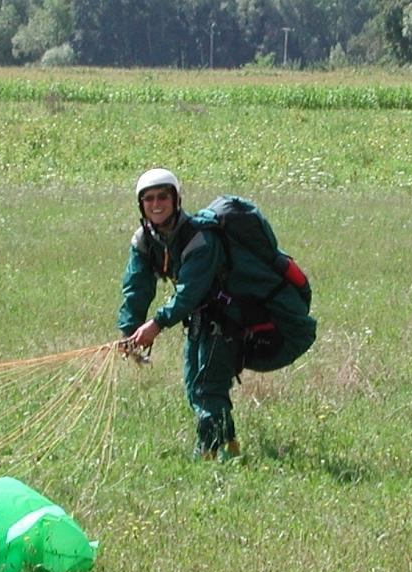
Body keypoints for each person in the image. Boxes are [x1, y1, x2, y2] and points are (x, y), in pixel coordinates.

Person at [117, 168, 314, 461]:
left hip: (228, 317)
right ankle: (230, 448)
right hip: (201, 318)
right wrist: (129, 331)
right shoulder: (146, 240)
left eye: (162, 197)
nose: (156, 204)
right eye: (149, 199)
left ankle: (208, 453)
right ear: (141, 205)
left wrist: (156, 325)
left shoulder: (201, 238)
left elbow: (189, 292)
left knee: (208, 387)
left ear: (176, 199)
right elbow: (137, 287)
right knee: (194, 384)